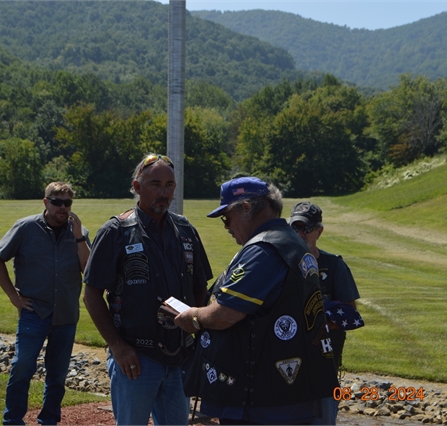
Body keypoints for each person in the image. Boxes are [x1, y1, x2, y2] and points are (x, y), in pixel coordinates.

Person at [176, 177, 338, 425]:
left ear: (246, 208)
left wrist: (194, 316)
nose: (226, 226)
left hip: (262, 400)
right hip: (286, 392)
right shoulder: (291, 241)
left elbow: (226, 314)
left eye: (226, 217)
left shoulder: (264, 249)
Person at [83, 153, 213, 425]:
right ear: (137, 186)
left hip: (178, 357)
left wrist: (196, 330)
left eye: (169, 185)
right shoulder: (116, 231)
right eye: (155, 184)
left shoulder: (186, 229)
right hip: (136, 359)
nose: (163, 192)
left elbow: (200, 286)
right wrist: (117, 346)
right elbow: (91, 294)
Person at [0, 182, 91, 425]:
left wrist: (78, 238)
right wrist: (14, 297)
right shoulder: (26, 227)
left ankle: (49, 420)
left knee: (57, 375)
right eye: (57, 202)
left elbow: (88, 271)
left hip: (66, 314)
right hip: (34, 312)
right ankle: (12, 420)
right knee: (22, 366)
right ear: (46, 202)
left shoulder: (78, 232)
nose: (63, 208)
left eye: (67, 203)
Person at [289, 201, 362, 425]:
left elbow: (350, 313)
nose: (301, 233)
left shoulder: (335, 266)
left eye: (306, 228)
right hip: (285, 364)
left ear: (319, 231)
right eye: (295, 228)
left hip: (324, 366)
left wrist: (321, 326)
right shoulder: (280, 264)